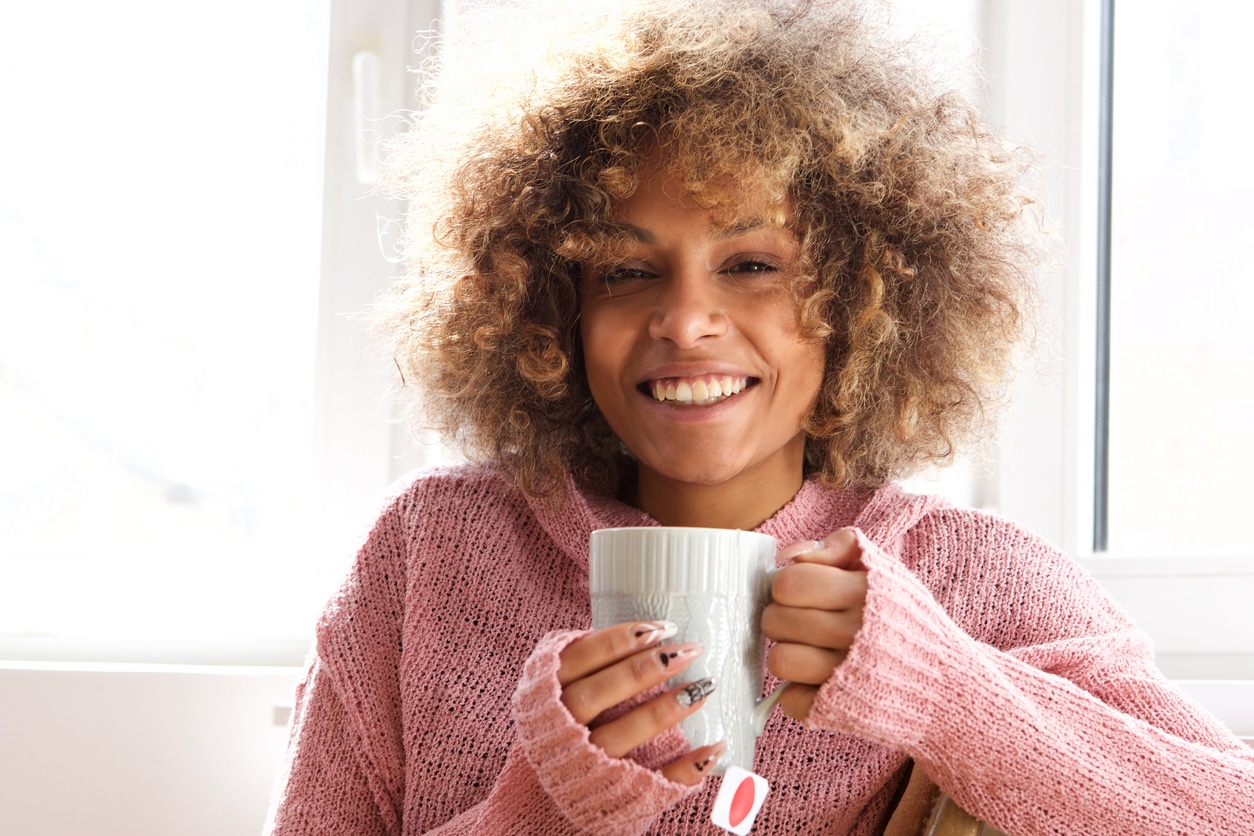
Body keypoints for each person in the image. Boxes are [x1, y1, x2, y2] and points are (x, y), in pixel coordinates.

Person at [266, 1, 1254, 833]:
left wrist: (946, 689)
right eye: (624, 269)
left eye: (751, 265)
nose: (687, 318)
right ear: (558, 306)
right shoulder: (431, 552)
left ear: (868, 296)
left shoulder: (967, 577)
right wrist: (544, 802)